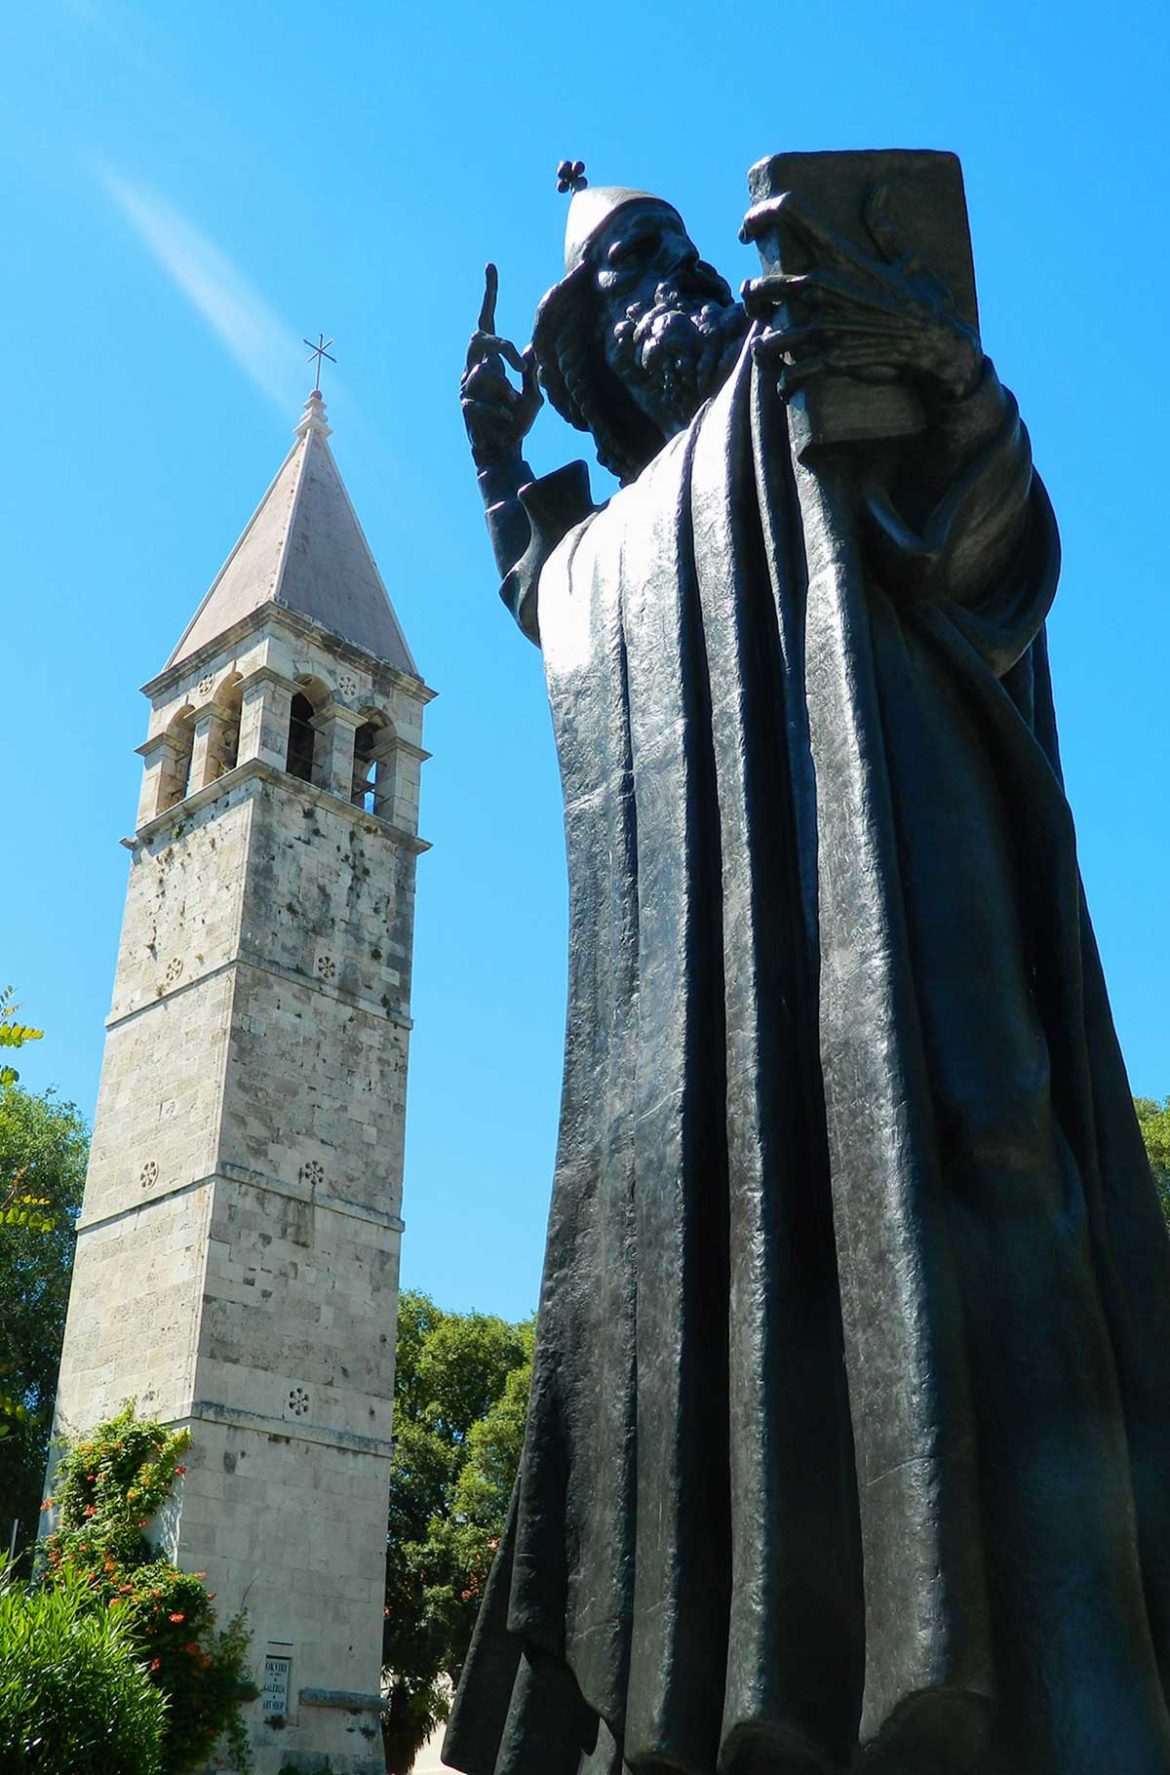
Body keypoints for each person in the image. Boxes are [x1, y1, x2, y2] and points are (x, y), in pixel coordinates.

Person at [445, 167, 1170, 1775]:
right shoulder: (625, 541)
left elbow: (975, 528)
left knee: (998, 1154)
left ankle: (1091, 1693)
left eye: (669, 247)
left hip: (917, 855)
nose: (664, 281)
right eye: (621, 273)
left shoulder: (806, 371)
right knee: (743, 1280)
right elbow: (541, 596)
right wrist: (500, 467)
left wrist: (956, 391)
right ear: (592, 374)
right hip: (736, 996)